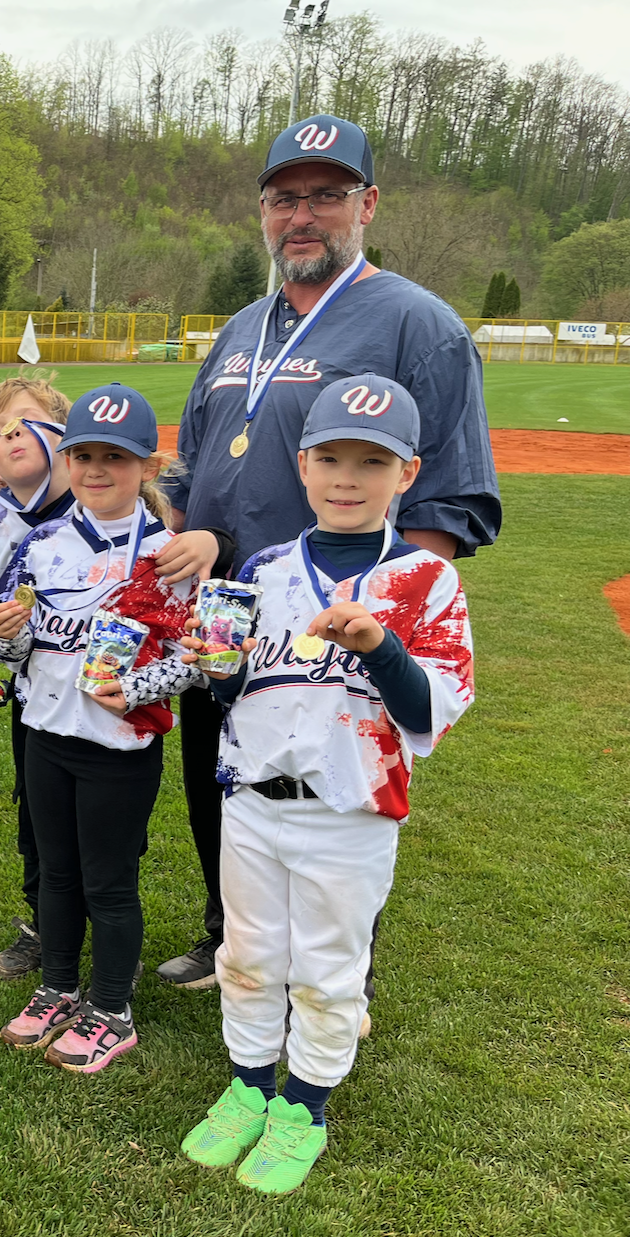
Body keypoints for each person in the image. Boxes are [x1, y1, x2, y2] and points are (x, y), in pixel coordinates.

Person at [158, 113, 500, 991]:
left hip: (338, 618)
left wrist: (387, 620)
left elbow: (448, 492)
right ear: (263, 212)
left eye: (325, 195)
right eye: (283, 199)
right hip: (229, 611)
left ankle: (338, 973)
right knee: (225, 777)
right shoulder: (241, 329)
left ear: (367, 204)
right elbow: (193, 461)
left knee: (336, 790)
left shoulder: (418, 324)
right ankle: (230, 932)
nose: (301, 215)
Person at [178, 374, 474, 1193]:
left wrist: (380, 645)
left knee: (326, 972)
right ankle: (249, 1087)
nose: (348, 479)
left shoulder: (426, 578)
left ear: (407, 473)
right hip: (252, 802)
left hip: (350, 811)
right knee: (246, 956)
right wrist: (219, 669)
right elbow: (237, 692)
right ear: (303, 465)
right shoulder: (265, 568)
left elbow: (431, 710)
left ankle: (303, 1107)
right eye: (332, 459)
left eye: (371, 462)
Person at [0, 385, 233, 1074]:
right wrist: (4, 636)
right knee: (57, 876)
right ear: (66, 461)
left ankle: (113, 1009)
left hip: (120, 749)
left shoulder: (170, 555)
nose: (97, 470)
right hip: (46, 736)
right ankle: (59, 987)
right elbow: (23, 650)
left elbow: (198, 660)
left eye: (115, 458)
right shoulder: (42, 544)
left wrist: (135, 691)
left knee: (109, 882)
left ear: (148, 467)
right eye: (84, 456)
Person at [0, 375, 73, 977]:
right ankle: (43, 922)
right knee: (36, 814)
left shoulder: (101, 506)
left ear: (63, 435)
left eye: (26, 423)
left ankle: (108, 933)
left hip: (106, 698)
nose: (12, 436)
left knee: (102, 825)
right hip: (34, 694)